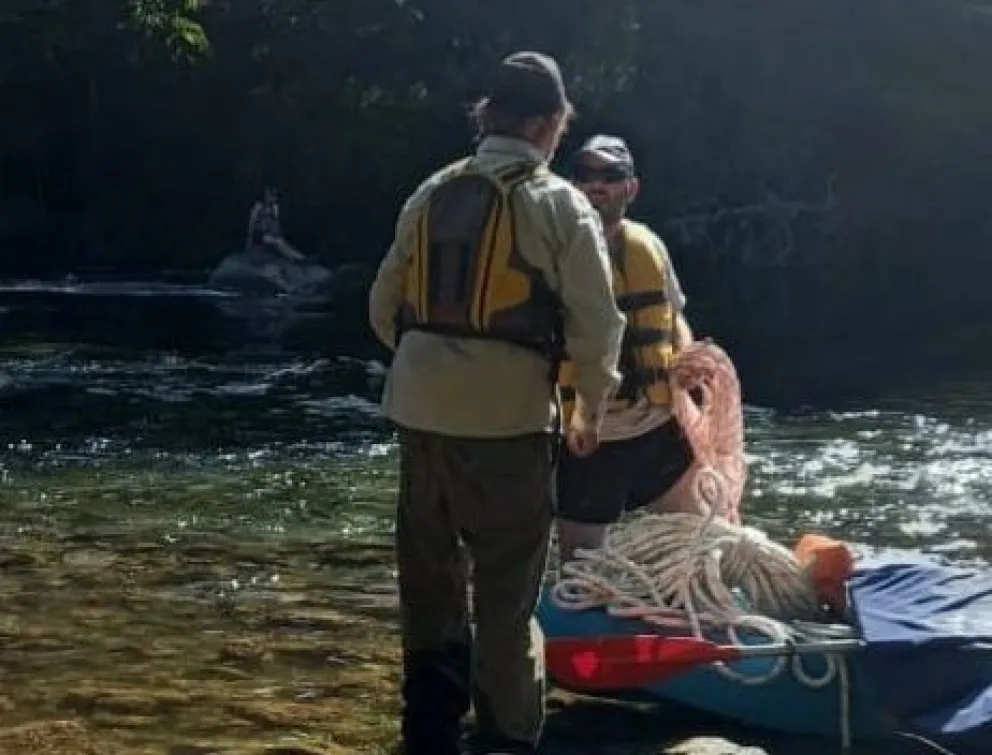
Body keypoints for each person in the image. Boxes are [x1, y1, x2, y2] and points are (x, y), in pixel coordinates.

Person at [368, 52, 625, 755]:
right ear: (549, 123)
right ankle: (508, 737)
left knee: (430, 580)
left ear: (488, 115)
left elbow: (382, 306)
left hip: (418, 413)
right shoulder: (558, 202)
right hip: (508, 422)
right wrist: (587, 411)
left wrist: (430, 366)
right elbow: (600, 325)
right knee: (507, 596)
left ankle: (429, 727)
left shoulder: (429, 192)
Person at [555, 134, 701, 563]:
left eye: (610, 176)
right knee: (581, 575)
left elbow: (674, 316)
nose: (596, 185)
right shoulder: (551, 253)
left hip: (657, 427)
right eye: (584, 175)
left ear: (630, 188)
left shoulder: (649, 245)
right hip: (588, 439)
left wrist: (688, 357)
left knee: (697, 553)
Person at [245, 186, 305, 262]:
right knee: (278, 242)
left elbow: (275, 223)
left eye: (275, 197)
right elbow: (252, 222)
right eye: (272, 196)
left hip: (269, 234)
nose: (274, 199)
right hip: (259, 234)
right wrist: (249, 238)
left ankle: (299, 257)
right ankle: (295, 258)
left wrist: (277, 233)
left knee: (282, 242)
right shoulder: (258, 206)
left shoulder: (275, 207)